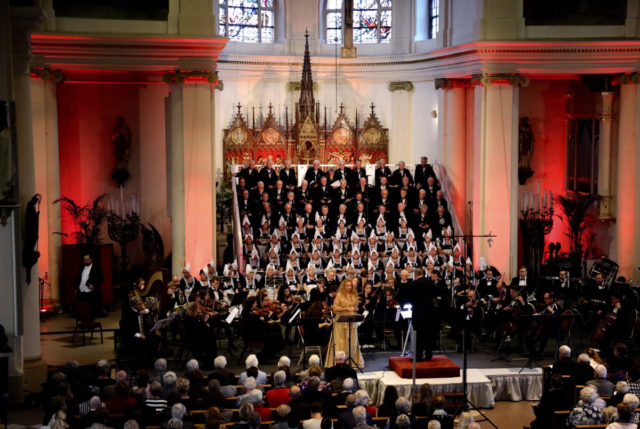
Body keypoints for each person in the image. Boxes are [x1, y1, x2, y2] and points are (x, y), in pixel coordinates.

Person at [325, 279, 364, 368]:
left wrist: (355, 309)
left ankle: (351, 361)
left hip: (352, 320)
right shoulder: (339, 295)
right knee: (341, 342)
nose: (349, 287)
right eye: (347, 285)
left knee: (352, 342)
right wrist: (346, 309)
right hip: (341, 321)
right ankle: (340, 362)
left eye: (350, 285)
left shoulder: (354, 295)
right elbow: (335, 309)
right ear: (343, 286)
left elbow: (356, 307)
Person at [409, 269, 437, 361]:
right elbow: (434, 296)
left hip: (418, 313)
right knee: (429, 334)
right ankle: (429, 355)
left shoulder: (414, 284)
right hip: (429, 312)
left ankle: (418, 356)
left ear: (415, 275)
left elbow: (411, 298)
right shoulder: (430, 282)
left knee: (418, 335)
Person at [76, 253, 104, 318]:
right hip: (81, 291)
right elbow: (78, 278)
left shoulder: (96, 268)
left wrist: (94, 285)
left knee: (91, 310)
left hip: (90, 291)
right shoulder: (81, 267)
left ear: (91, 260)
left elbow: (101, 278)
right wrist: (76, 288)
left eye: (87, 260)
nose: (85, 261)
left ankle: (90, 320)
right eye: (84, 260)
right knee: (82, 309)